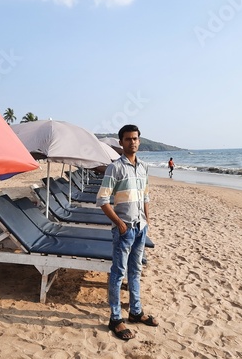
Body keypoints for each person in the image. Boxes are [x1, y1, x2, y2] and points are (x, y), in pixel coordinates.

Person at [96, 124, 158, 341]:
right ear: (121, 143)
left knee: (136, 271)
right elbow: (102, 200)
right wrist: (120, 224)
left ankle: (135, 311)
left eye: (136, 138)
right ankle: (115, 318)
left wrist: (147, 220)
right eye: (128, 139)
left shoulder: (143, 167)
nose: (133, 142)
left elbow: (146, 195)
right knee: (118, 272)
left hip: (141, 228)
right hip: (124, 230)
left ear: (139, 141)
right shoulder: (115, 168)